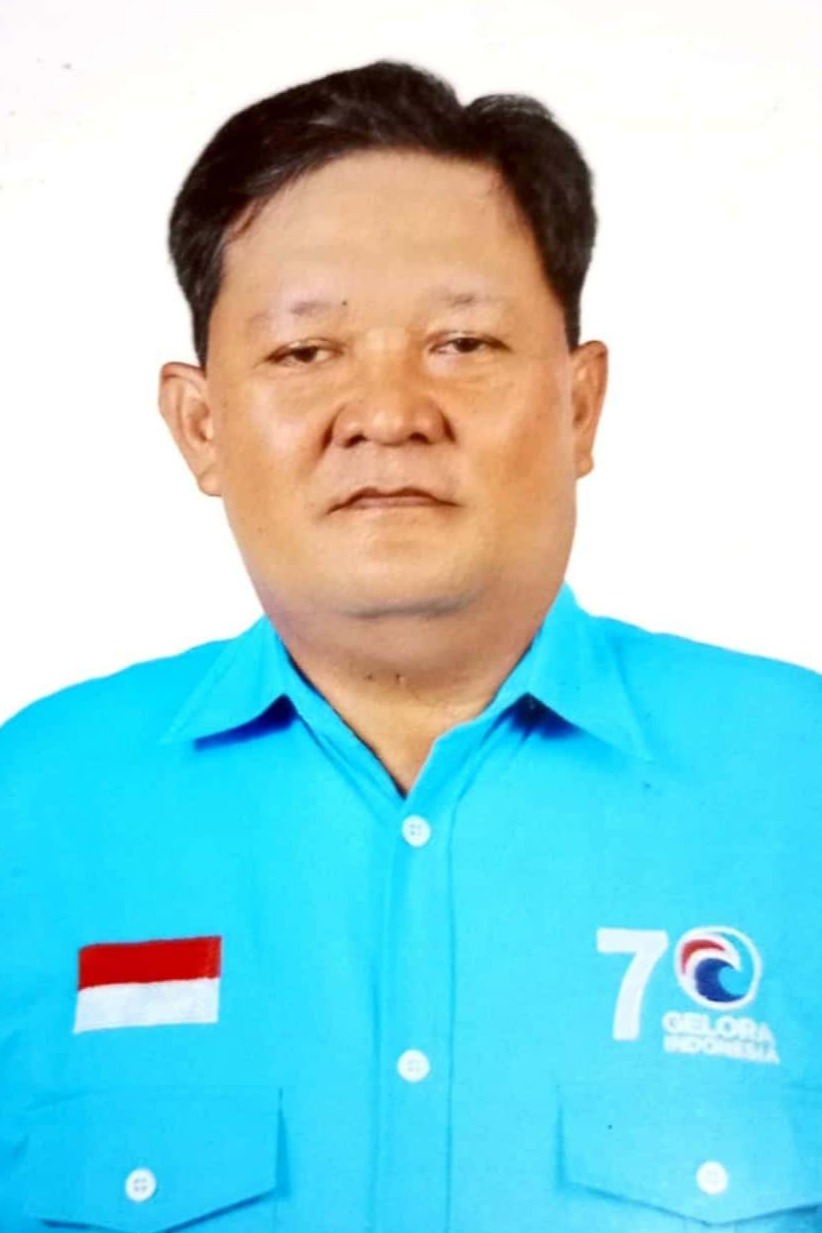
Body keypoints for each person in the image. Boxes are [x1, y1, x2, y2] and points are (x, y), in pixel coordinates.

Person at [1, 58, 821, 1233]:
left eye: (462, 344)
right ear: (201, 425)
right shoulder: (33, 806)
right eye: (304, 353)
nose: (388, 414)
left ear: (580, 405)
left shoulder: (799, 780)